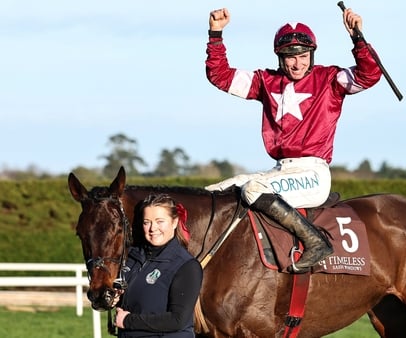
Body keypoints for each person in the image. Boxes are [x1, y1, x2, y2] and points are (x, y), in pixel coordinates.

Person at [205, 7, 382, 273]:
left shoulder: (330, 79)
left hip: (313, 173)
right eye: (290, 57)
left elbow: (370, 74)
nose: (297, 63)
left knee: (253, 190)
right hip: (281, 169)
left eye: (302, 55)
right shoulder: (266, 81)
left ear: (311, 54)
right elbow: (220, 76)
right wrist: (215, 35)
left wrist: (357, 38)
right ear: (280, 58)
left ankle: (316, 242)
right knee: (215, 192)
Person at [112, 193, 202, 338]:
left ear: (174, 222)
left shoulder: (187, 266)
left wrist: (128, 321)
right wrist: (115, 299)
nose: (152, 228)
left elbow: (177, 320)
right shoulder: (132, 258)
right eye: (146, 222)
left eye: (160, 221)